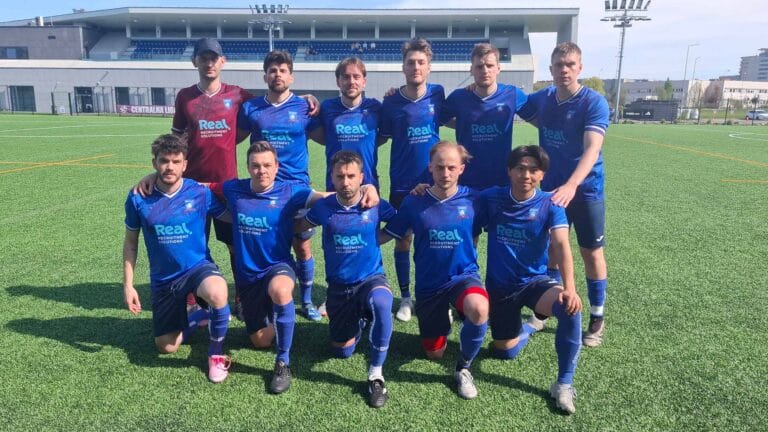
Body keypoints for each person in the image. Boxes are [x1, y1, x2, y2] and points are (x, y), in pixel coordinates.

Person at [211, 141, 379, 395]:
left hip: (278, 266)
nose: (261, 171)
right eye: (255, 166)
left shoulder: (291, 191)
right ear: (247, 167)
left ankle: (283, 362)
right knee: (260, 341)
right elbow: (199, 187)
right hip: (247, 276)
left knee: (280, 290)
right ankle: (275, 317)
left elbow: (332, 196)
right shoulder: (234, 189)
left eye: (267, 165)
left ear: (277, 166)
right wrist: (154, 178)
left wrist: (367, 188)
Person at [474, 145, 582, 414]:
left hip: (535, 283)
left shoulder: (551, 203)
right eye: (520, 168)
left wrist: (570, 288)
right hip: (500, 288)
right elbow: (457, 197)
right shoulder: (492, 198)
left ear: (542, 174)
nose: (526, 175)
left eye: (534, 170)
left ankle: (563, 384)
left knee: (570, 308)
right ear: (509, 171)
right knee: (504, 352)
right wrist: (422, 189)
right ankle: (531, 327)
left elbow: (561, 245)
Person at [518, 42, 610, 347]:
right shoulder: (544, 98)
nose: (564, 70)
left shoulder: (593, 103)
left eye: (570, 64)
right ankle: (547, 310)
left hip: (585, 190)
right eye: (559, 65)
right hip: (552, 192)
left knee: (590, 252)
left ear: (580, 67)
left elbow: (592, 149)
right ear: (551, 69)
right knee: (552, 251)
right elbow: (515, 103)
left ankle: (597, 316)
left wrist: (572, 184)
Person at [381, 141, 489, 400]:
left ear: (461, 169)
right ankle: (445, 316)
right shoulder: (414, 201)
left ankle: (464, 368)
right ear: (430, 167)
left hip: (463, 277)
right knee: (434, 354)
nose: (445, 173)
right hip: (429, 285)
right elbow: (388, 234)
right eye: (439, 167)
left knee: (479, 308)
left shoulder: (475, 199)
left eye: (451, 167)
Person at [122, 134, 232, 383]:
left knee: (217, 292)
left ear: (185, 164)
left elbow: (230, 216)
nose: (169, 167)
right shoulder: (138, 198)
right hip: (164, 280)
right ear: (154, 163)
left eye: (176, 161)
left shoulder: (199, 192)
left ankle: (215, 355)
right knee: (166, 347)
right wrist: (128, 285)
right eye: (164, 161)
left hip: (197, 268)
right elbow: (130, 244)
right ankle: (198, 316)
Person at [297, 150, 395, 408]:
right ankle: (361, 321)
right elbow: (300, 225)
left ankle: (376, 374)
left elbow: (401, 223)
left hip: (371, 278)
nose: (346, 182)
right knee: (342, 351)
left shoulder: (374, 203)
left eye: (351, 176)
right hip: (339, 287)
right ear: (332, 177)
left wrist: (376, 240)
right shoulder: (323, 207)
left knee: (382, 303)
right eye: (340, 176)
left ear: (362, 177)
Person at [237, 50, 321, 322]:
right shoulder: (251, 108)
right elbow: (232, 139)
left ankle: (306, 300)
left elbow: (325, 135)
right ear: (265, 76)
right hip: (263, 191)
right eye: (272, 71)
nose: (277, 75)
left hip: (296, 188)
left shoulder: (304, 108)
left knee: (302, 246)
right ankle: (260, 297)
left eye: (283, 70)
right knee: (265, 245)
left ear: (291, 76)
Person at [379, 38, 446, 322]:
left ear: (429, 67)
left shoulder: (438, 94)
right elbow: (381, 135)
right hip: (402, 183)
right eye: (411, 62)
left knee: (434, 240)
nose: (416, 67)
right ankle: (406, 297)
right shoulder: (391, 101)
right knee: (403, 240)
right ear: (403, 67)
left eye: (421, 62)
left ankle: (434, 295)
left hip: (434, 182)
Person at [440, 42, 528, 190]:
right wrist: (463, 124)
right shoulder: (458, 97)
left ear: (498, 68)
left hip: (502, 182)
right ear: (471, 70)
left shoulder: (512, 94)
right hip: (466, 183)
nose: (485, 70)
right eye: (479, 66)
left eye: (490, 65)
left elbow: (539, 119)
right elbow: (436, 119)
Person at [308, 57, 385, 193]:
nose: (351, 82)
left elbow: (383, 136)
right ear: (338, 81)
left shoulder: (375, 107)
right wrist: (305, 97)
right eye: (346, 77)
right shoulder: (327, 107)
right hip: (336, 186)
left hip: (368, 186)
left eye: (356, 77)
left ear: (364, 81)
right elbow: (318, 135)